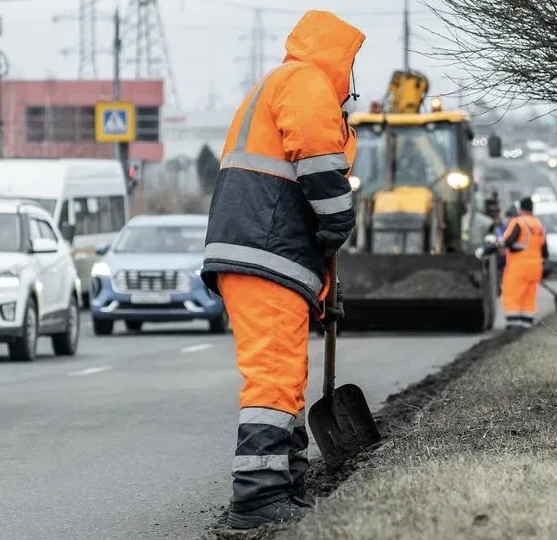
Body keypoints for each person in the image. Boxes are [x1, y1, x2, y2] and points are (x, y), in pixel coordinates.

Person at [200, 10, 365, 529]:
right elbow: (317, 160)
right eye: (353, 64)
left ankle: (286, 486)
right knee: (273, 376)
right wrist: (340, 216)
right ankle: (256, 498)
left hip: (272, 255)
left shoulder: (289, 83)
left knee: (285, 379)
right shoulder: (305, 80)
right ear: (340, 57)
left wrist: (325, 286)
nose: (352, 81)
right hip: (266, 254)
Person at [500, 197, 547, 330]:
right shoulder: (538, 224)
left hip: (518, 265)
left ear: (520, 209)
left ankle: (514, 326)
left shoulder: (518, 222)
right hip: (536, 267)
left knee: (513, 294)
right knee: (529, 296)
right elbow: (545, 250)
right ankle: (526, 325)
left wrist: (496, 244)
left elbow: (508, 241)